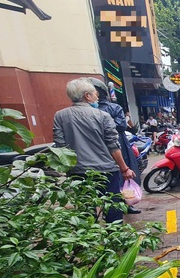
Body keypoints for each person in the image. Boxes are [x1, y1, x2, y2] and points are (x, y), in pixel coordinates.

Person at [53, 78, 136, 223]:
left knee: (85, 208)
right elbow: (113, 145)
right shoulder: (102, 116)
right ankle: (115, 239)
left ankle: (89, 240)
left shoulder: (60, 116)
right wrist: (124, 168)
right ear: (87, 95)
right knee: (112, 207)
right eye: (95, 94)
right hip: (106, 170)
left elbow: (60, 146)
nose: (97, 97)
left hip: (77, 171)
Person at [89, 78, 142, 215]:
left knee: (123, 176)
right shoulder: (86, 111)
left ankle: (127, 203)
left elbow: (121, 125)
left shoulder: (113, 108)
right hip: (99, 148)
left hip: (117, 146)